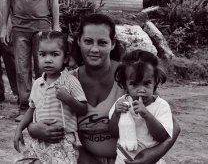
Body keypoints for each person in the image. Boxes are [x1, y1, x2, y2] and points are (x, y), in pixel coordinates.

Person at [27, 13, 180, 164]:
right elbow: (40, 112)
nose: (94, 49)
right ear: (79, 41)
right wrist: (33, 129)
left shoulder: (129, 76)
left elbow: (174, 127)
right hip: (89, 159)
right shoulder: (67, 81)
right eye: (88, 41)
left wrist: (153, 155)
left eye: (102, 43)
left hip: (129, 159)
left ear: (112, 44)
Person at [1, 0, 61, 121]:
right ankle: (24, 108)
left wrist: (56, 26)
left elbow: (53, 0)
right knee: (22, 68)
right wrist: (5, 27)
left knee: (43, 68)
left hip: (42, 27)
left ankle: (43, 109)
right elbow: (7, 1)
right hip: (19, 28)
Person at [14, 31, 87, 163]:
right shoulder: (37, 83)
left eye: (54, 54)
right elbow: (31, 109)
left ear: (65, 58)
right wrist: (19, 129)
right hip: (38, 141)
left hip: (61, 142)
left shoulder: (70, 81)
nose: (48, 60)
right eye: (42, 54)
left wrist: (68, 99)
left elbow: (83, 109)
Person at [109, 50, 172, 164]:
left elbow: (162, 137)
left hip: (151, 161)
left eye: (147, 83)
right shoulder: (121, 103)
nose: (141, 90)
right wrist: (116, 115)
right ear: (125, 84)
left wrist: (147, 115)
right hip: (122, 160)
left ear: (155, 82)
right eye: (134, 84)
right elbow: (113, 133)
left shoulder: (161, 106)